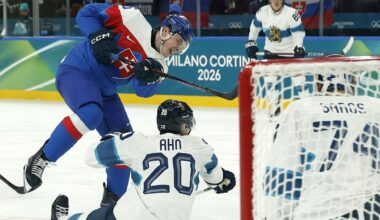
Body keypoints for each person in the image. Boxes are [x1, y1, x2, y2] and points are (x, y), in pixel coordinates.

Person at [3, 2, 193, 206]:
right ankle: (41, 159)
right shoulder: (132, 18)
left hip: (105, 91)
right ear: (166, 31)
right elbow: (86, 14)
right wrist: (98, 34)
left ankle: (110, 206)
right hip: (77, 69)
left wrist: (148, 76)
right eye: (179, 42)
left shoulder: (161, 64)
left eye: (183, 47)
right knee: (91, 114)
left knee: (123, 144)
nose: (178, 50)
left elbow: (142, 91)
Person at [50, 99, 236, 220]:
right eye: (187, 124)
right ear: (182, 125)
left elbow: (90, 157)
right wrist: (224, 180)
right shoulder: (199, 146)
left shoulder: (138, 143)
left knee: (97, 216)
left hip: (130, 216)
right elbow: (217, 178)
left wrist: (111, 139)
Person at [256, 71, 380, 219]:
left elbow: (282, 174)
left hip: (321, 210)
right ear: (354, 82)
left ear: (319, 84)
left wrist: (276, 216)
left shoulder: (302, 109)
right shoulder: (375, 106)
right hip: (373, 208)